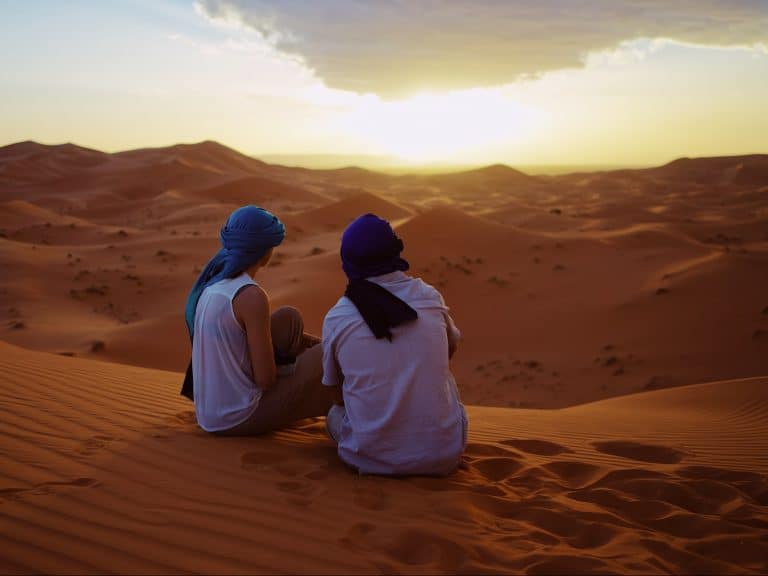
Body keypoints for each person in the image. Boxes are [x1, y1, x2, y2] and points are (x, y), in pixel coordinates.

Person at [322, 213, 468, 475]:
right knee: (447, 380)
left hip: (368, 459)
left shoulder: (339, 315)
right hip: (444, 457)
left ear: (348, 260)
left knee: (333, 415)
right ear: (394, 250)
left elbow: (335, 394)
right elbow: (450, 349)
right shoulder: (429, 296)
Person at [182, 205, 334, 435]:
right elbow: (265, 380)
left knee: (288, 320)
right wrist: (301, 367)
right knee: (331, 353)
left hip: (210, 413)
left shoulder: (213, 285)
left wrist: (306, 348)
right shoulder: (250, 296)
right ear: (265, 252)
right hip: (237, 416)